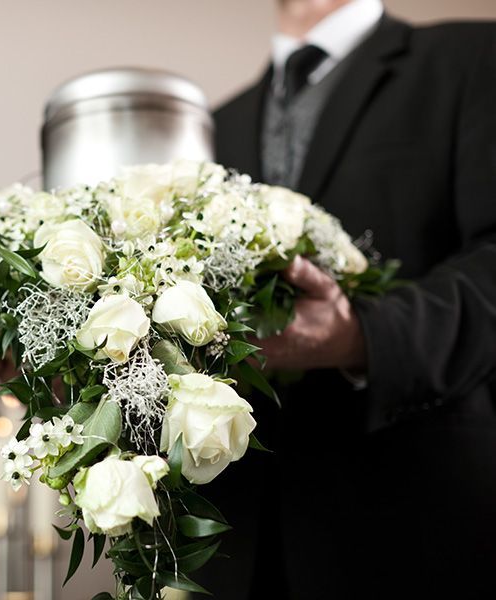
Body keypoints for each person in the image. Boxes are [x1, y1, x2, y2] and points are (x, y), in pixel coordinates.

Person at [208, 0, 496, 598]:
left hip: (420, 530)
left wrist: (361, 335)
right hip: (234, 551)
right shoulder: (212, 126)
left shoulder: (474, 58)